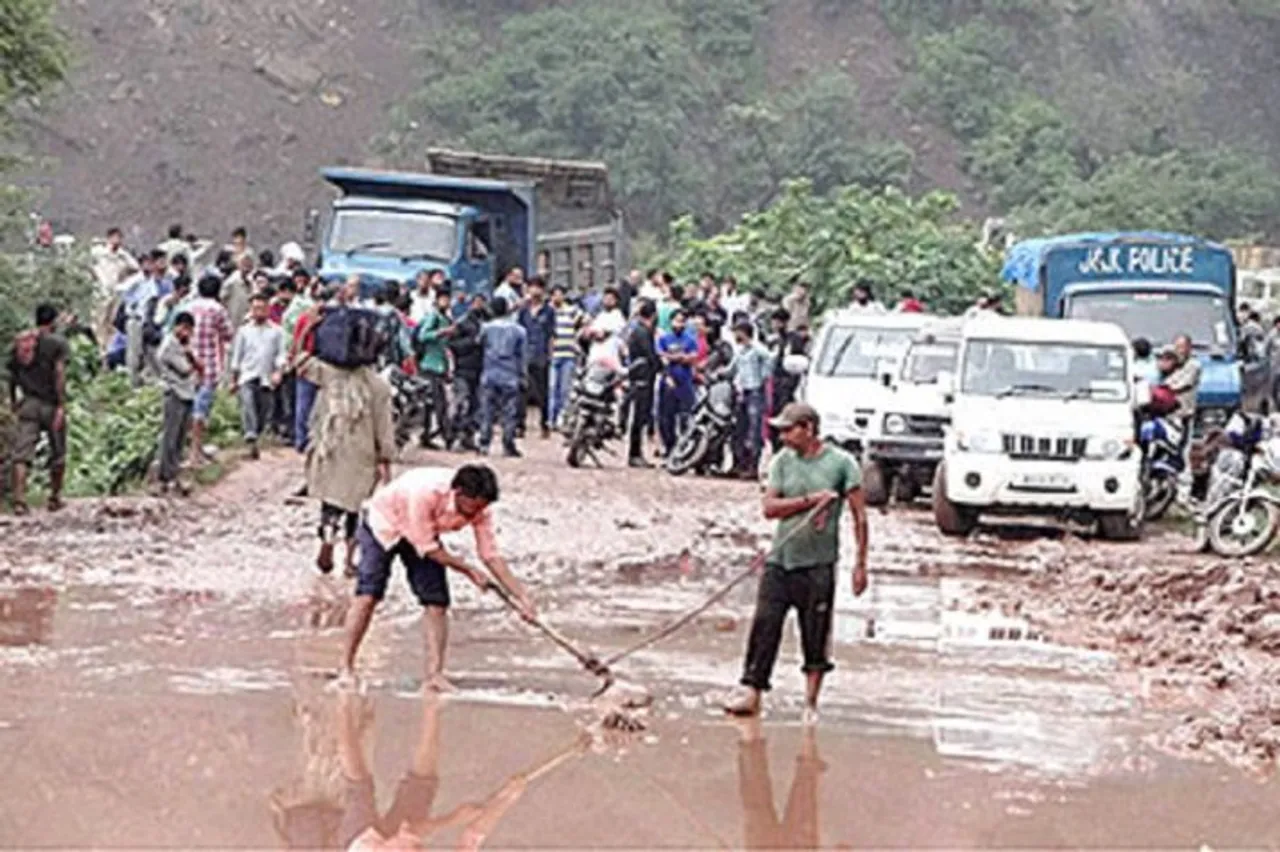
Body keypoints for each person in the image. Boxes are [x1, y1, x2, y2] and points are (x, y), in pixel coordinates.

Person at [724, 402, 869, 720]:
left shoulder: (842, 464)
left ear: (809, 428)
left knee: (815, 631)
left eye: (789, 430)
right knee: (765, 624)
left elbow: (859, 517)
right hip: (780, 559)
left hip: (819, 563)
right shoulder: (782, 462)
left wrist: (861, 564)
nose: (784, 436)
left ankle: (810, 702)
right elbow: (769, 507)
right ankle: (752, 689)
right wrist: (810, 501)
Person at [340, 464, 537, 691]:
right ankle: (346, 668)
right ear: (459, 493)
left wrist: (522, 596)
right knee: (368, 595)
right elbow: (426, 546)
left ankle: (434, 675)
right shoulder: (424, 493)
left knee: (437, 602)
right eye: (473, 507)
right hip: (384, 525)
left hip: (424, 533)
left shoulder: (481, 509)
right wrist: (469, 571)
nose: (475, 514)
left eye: (481, 508)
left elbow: (490, 555)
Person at [301, 344, 396, 579]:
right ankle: (349, 560)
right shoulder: (379, 386)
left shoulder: (329, 374)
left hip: (332, 448)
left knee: (331, 504)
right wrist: (385, 458)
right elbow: (383, 427)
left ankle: (327, 540)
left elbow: (299, 364)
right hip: (362, 454)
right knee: (357, 509)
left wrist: (306, 332)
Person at [6, 304, 69, 514]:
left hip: (28, 404)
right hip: (51, 404)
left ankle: (19, 501)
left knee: (21, 454)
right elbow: (59, 373)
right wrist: (61, 404)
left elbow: (12, 377)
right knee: (58, 452)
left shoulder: (20, 343)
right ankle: (54, 497)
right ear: (53, 321)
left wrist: (14, 401)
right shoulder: (57, 344)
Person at [228, 294, 286, 460]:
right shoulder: (244, 331)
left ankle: (255, 437)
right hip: (247, 375)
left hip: (266, 377)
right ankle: (250, 434)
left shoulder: (277, 331)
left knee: (263, 411)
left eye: (261, 308)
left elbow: (281, 355)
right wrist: (234, 380)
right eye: (255, 308)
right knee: (248, 404)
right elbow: (237, 356)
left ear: (268, 309)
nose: (258, 312)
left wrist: (278, 372)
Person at [187, 274, 233, 467]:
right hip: (209, 367)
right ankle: (195, 453)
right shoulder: (217, 310)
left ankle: (191, 449)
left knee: (189, 408)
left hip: (188, 366)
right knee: (201, 411)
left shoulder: (189, 307)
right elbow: (228, 334)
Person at [153, 311, 201, 497]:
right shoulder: (169, 346)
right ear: (178, 327)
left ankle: (175, 475)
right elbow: (186, 369)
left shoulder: (181, 345)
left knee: (180, 438)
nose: (188, 333)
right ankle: (165, 477)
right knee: (170, 437)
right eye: (186, 329)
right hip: (174, 392)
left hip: (186, 393)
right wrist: (190, 355)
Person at [477, 297, 527, 458]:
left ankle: (484, 443)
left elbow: (478, 343)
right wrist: (523, 376)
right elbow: (523, 356)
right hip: (510, 374)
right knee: (510, 411)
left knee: (487, 410)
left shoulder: (486, 328)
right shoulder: (519, 330)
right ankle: (508, 443)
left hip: (490, 372)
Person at [413, 287, 455, 450]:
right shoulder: (434, 317)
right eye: (443, 299)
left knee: (432, 404)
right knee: (438, 404)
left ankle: (428, 435)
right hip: (430, 365)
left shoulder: (445, 318)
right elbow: (423, 336)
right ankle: (447, 437)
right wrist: (442, 332)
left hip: (438, 365)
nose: (446, 302)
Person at [733, 321, 772, 480]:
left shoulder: (759, 350)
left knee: (754, 430)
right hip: (742, 392)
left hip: (755, 391)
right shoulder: (740, 351)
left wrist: (762, 378)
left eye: (737, 332)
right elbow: (733, 369)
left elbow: (769, 364)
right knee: (740, 428)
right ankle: (740, 463)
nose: (735, 336)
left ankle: (753, 466)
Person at [447, 294, 487, 452]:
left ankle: (468, 436)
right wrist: (472, 342)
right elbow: (452, 344)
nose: (479, 305)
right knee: (461, 403)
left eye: (481, 302)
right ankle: (455, 436)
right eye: (476, 302)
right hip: (463, 369)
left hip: (479, 369)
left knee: (476, 406)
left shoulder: (485, 322)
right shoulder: (463, 323)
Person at [517, 276, 556, 439]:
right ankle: (520, 425)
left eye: (537, 287)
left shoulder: (549, 311)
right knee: (522, 391)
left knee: (542, 392)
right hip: (525, 355)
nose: (534, 291)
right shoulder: (523, 311)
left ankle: (544, 424)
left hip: (541, 355)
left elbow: (552, 334)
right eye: (531, 287)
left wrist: (550, 354)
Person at [657, 309, 700, 455]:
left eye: (682, 321)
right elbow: (661, 358)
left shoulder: (690, 339)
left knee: (686, 416)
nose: (678, 324)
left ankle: (684, 449)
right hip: (668, 381)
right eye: (676, 320)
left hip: (685, 383)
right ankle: (669, 448)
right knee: (665, 418)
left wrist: (675, 357)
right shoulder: (664, 339)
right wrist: (680, 357)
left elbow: (693, 357)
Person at [625, 299, 659, 468]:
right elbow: (649, 354)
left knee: (640, 416)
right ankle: (635, 453)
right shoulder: (643, 332)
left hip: (639, 376)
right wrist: (660, 366)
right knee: (639, 416)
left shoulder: (636, 330)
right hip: (643, 378)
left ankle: (636, 452)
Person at [547, 284, 581, 429]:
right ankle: (551, 418)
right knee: (552, 387)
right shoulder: (547, 311)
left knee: (565, 389)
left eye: (560, 294)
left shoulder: (572, 311)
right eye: (555, 294)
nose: (557, 297)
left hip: (568, 354)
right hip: (553, 355)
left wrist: (576, 339)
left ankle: (562, 418)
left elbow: (586, 322)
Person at [221, 252, 255, 331]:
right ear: (239, 265)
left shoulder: (251, 281)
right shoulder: (231, 282)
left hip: (246, 321)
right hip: (233, 321)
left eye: (249, 265)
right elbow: (222, 299)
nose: (247, 268)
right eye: (244, 264)